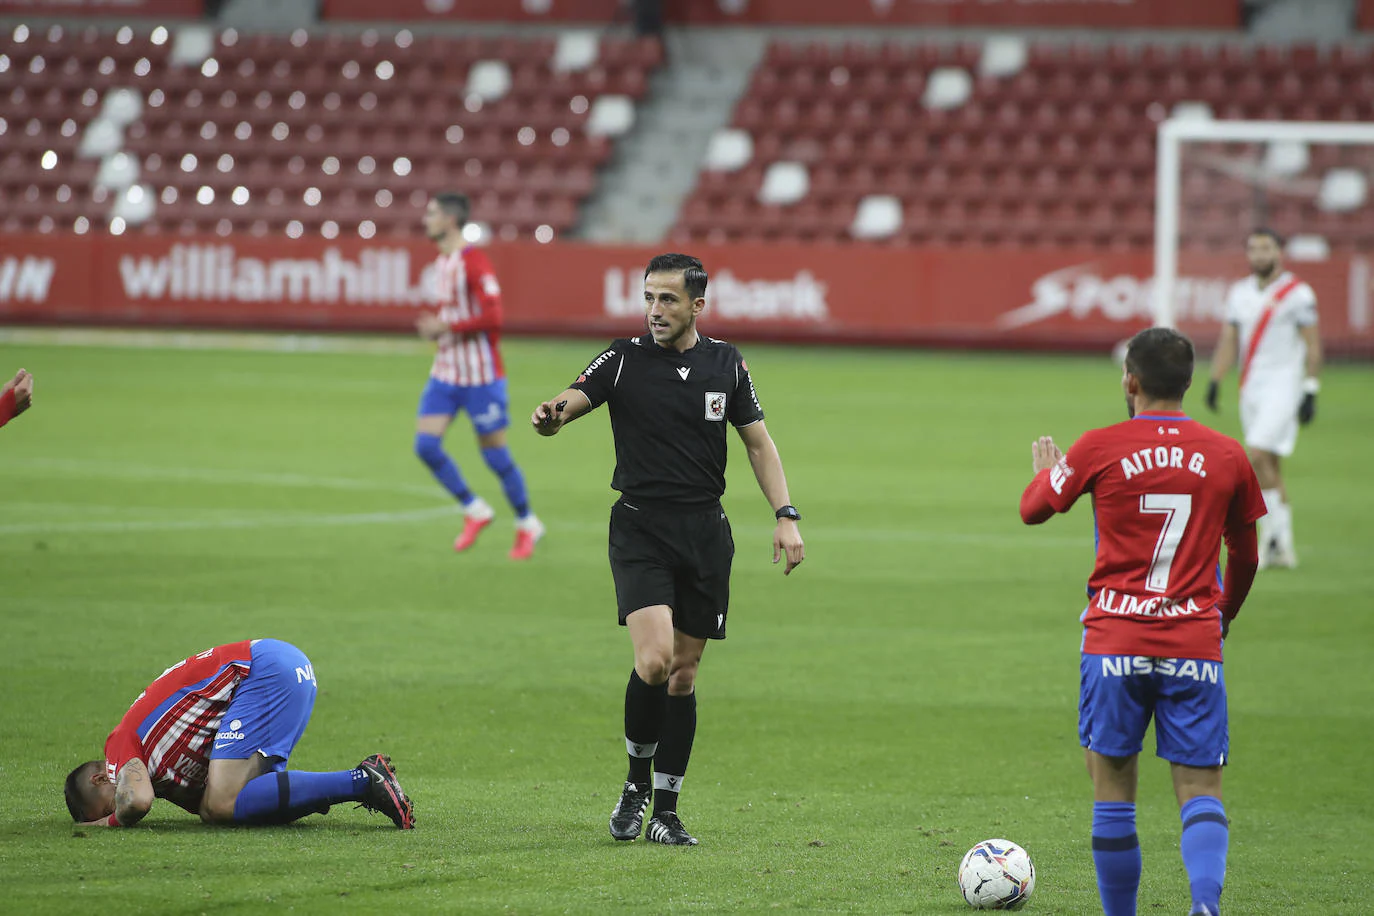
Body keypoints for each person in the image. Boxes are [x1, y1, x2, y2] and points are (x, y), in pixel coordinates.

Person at [529, 253, 804, 846]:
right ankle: (634, 785)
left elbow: (758, 443)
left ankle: (667, 810)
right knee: (653, 661)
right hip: (640, 530)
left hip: (705, 534)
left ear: (696, 305)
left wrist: (785, 515)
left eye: (668, 300)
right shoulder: (624, 358)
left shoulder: (726, 364)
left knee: (684, 674)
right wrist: (551, 417)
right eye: (649, 297)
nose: (655, 310)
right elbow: (576, 395)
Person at [1019, 327, 1265, 916]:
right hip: (1194, 642)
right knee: (1201, 791)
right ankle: (1204, 905)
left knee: (1113, 794)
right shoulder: (1228, 454)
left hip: (1114, 641)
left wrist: (1044, 476)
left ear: (1130, 381)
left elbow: (1033, 510)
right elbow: (1248, 556)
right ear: (1186, 381)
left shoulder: (1099, 446)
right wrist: (1221, 616)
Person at [64, 639, 415, 829]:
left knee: (221, 803)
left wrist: (108, 822)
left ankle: (362, 780)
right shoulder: (162, 767)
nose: (119, 805)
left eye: (109, 801)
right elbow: (207, 807)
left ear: (99, 778)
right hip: (278, 669)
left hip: (263, 670)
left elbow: (136, 801)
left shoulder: (119, 746)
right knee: (225, 808)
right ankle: (352, 785)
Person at [414, 192, 543, 560]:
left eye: (432, 213)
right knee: (425, 445)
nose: (426, 220)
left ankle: (527, 523)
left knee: (495, 456)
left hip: (481, 376)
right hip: (446, 372)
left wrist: (446, 326)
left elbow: (494, 317)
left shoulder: (474, 263)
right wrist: (438, 330)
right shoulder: (442, 263)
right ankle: (475, 509)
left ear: (449, 220)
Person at [1205, 227, 1321, 568]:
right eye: (1253, 249)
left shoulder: (1298, 294)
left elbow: (1313, 344)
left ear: (1279, 252)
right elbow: (1229, 339)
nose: (1258, 255)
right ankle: (1283, 546)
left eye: (1265, 248)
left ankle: (1271, 539)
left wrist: (1311, 388)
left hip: (1284, 384)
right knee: (1270, 463)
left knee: (1256, 454)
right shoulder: (1240, 292)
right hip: (1250, 386)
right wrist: (1215, 379)